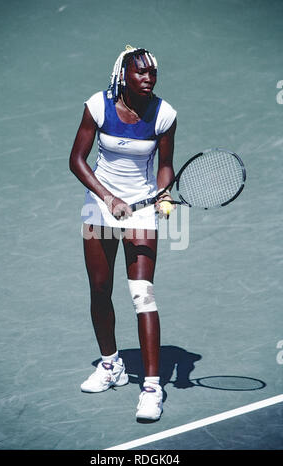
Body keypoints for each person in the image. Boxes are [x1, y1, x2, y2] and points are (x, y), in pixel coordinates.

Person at [69, 45, 177, 421]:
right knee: (100, 289)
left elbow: (166, 165)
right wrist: (109, 198)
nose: (148, 79)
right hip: (99, 205)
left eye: (152, 74)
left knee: (142, 294)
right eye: (140, 73)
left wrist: (163, 192)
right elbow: (77, 161)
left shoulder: (164, 115)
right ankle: (111, 365)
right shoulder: (97, 107)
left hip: (142, 210)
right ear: (124, 76)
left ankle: (151, 386)